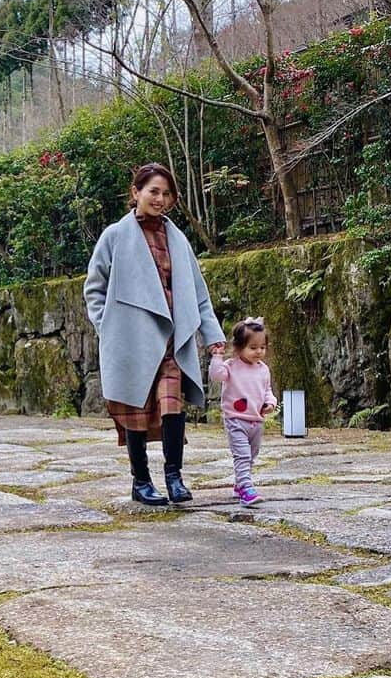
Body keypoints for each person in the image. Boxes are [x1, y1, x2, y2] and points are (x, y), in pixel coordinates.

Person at [84, 163, 225, 506]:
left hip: (172, 339)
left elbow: (198, 293)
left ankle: (174, 477)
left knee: (172, 406)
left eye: (166, 194)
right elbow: (94, 288)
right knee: (135, 406)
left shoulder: (178, 240)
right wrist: (110, 328)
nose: (160, 199)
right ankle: (141, 481)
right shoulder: (115, 236)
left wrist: (213, 335)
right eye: (153, 192)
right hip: (131, 340)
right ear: (136, 193)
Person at [208, 316, 278, 507]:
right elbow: (216, 375)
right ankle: (246, 489)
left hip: (256, 421)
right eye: (253, 348)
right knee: (242, 455)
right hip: (235, 419)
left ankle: (240, 483)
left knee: (252, 455)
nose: (258, 352)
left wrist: (270, 403)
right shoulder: (231, 366)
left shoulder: (263, 370)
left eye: (262, 347)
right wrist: (217, 356)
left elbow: (267, 391)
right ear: (239, 347)